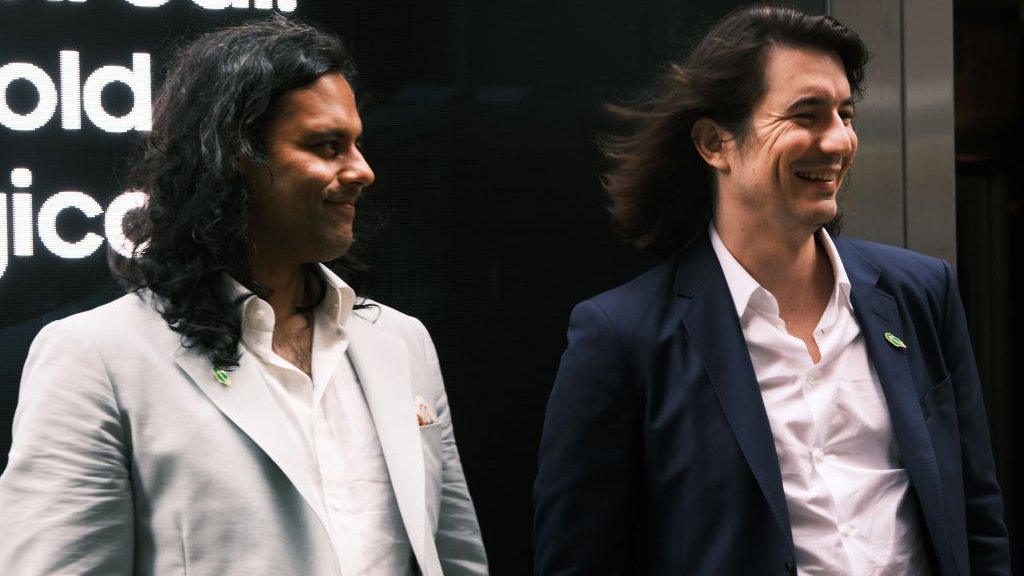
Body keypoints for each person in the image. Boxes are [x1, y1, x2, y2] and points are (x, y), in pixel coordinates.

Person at [0, 16, 488, 576]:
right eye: (326, 145)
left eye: (356, 143)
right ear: (229, 157)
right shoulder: (95, 357)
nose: (363, 171)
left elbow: (454, 558)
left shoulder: (401, 344)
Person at [533, 5, 1010, 575]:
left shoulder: (920, 293)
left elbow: (976, 517)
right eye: (806, 115)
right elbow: (580, 560)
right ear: (715, 143)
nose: (838, 142)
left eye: (845, 113)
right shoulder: (623, 336)